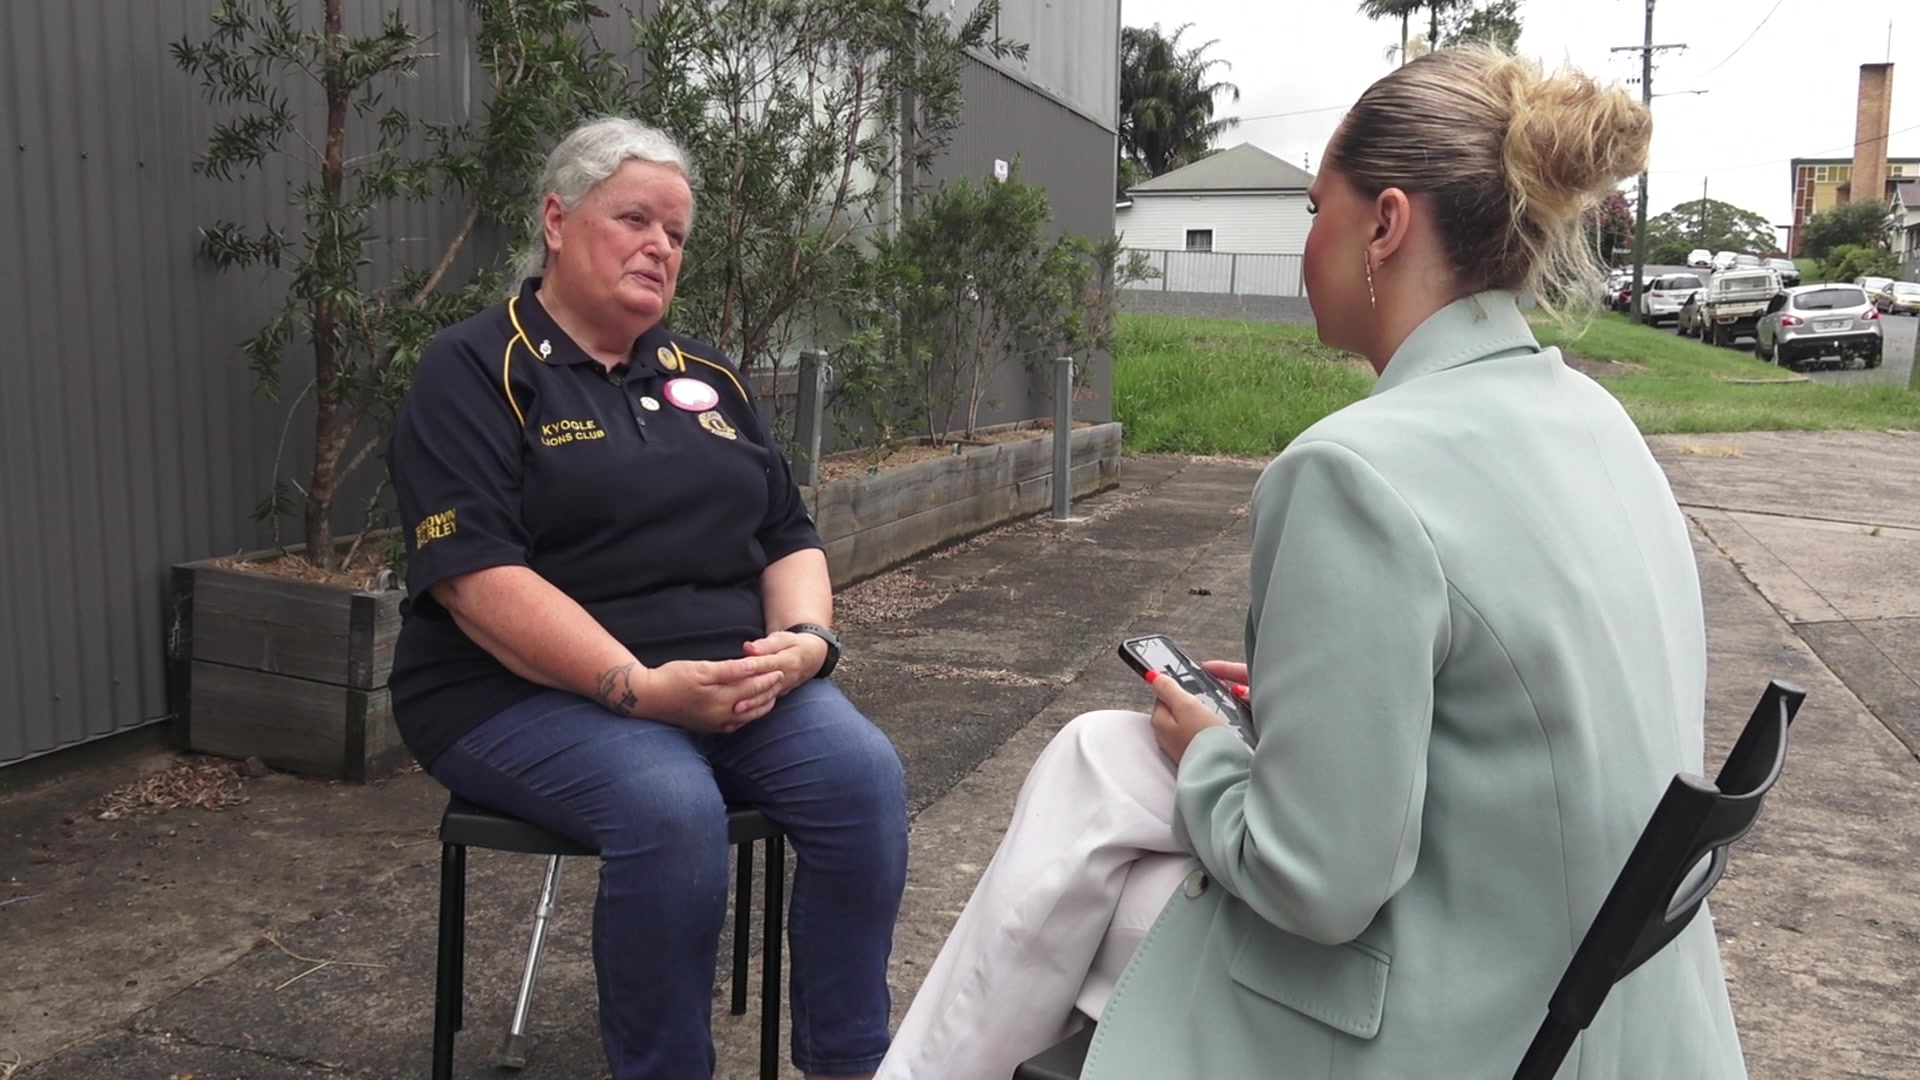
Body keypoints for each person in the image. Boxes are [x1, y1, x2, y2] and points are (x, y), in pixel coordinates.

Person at [876, 47, 1747, 1080]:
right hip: (1615, 1015)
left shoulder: (1355, 472)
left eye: (1310, 211)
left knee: (1092, 800)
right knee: (1098, 772)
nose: (1306, 244)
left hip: (1464, 1027)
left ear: (1384, 225)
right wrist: (1308, 711)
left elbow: (1317, 884)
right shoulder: (1596, 423)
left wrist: (1211, 747)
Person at [385, 117, 907, 1080]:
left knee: (862, 778)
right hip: (511, 692)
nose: (660, 246)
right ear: (556, 218)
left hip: (724, 680)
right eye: (635, 218)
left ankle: (851, 1061)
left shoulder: (705, 377)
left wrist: (806, 641)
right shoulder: (472, 369)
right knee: (669, 807)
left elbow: (788, 534)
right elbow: (475, 582)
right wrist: (639, 687)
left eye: (676, 232)